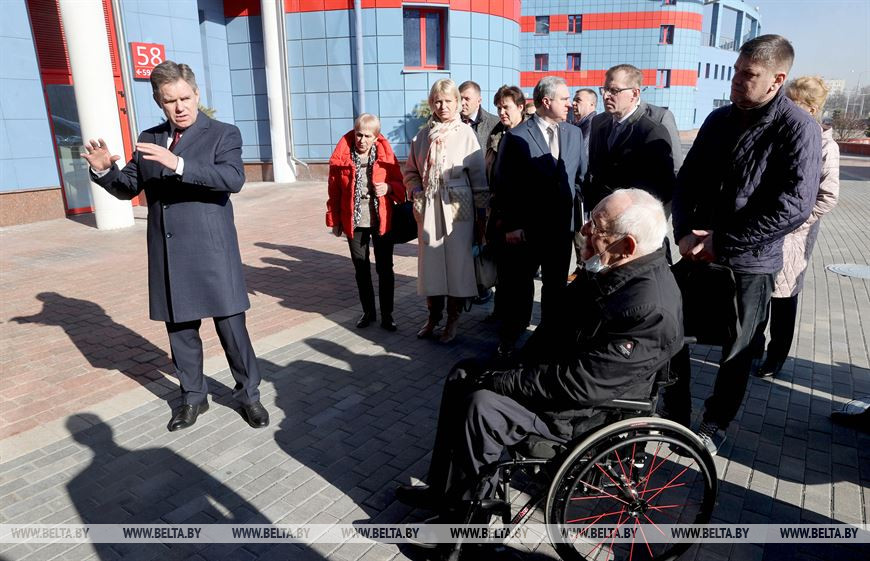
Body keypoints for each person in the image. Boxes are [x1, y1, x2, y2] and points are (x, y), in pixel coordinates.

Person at [395, 189, 683, 517]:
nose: (585, 231)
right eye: (589, 220)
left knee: (482, 406)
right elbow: (556, 326)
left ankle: (465, 522)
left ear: (628, 245)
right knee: (463, 373)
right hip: (555, 375)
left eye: (597, 228)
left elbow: (582, 383)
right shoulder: (613, 269)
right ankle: (443, 489)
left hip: (581, 413)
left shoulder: (649, 309)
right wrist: (510, 367)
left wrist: (505, 381)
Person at [82, 61, 269, 431]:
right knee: (180, 332)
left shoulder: (223, 134)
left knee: (232, 330)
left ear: (196, 94)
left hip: (213, 251)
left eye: (185, 98)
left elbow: (232, 179)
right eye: (170, 100)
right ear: (159, 101)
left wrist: (179, 163)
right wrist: (105, 171)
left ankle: (249, 396)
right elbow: (128, 188)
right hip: (169, 253)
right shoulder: (149, 138)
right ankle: (193, 397)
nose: (180, 107)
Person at [662, 35, 822, 455]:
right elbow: (687, 179)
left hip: (751, 263)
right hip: (697, 251)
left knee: (738, 351)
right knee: (667, 325)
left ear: (777, 80)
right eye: (736, 71)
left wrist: (724, 240)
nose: (736, 81)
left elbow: (794, 205)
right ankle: (675, 413)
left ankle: (714, 424)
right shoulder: (718, 119)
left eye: (748, 74)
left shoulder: (798, 127)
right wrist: (684, 231)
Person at [491, 76, 585, 357]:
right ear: (546, 101)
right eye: (564, 99)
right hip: (526, 230)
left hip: (561, 229)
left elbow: (580, 178)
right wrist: (511, 225)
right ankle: (510, 340)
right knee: (519, 288)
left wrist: (581, 221)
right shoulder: (516, 136)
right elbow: (504, 184)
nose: (569, 104)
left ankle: (549, 341)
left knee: (556, 288)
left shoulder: (574, 133)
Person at [753, 77, 839, 378]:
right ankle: (753, 348)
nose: (785, 106)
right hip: (766, 228)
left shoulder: (826, 145)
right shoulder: (782, 133)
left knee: (783, 297)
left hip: (794, 235)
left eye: (793, 102)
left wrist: (794, 221)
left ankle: (776, 356)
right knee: (759, 292)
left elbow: (828, 196)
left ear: (811, 109)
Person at [404, 79, 489, 343]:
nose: (443, 106)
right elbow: (410, 172)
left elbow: (478, 178)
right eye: (438, 101)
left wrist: (481, 217)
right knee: (430, 265)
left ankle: (453, 319)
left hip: (458, 205)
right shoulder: (422, 136)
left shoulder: (465, 134)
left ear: (458, 103)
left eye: (448, 101)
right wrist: (416, 191)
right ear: (432, 103)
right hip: (429, 205)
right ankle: (433, 316)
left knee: (457, 265)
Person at [326, 114, 406, 331]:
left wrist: (389, 188)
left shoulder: (386, 157)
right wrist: (335, 221)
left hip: (382, 220)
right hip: (354, 221)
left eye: (367, 136)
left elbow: (401, 186)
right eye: (359, 134)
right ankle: (368, 312)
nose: (362, 140)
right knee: (361, 269)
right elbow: (334, 192)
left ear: (376, 137)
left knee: (385, 269)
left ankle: (387, 315)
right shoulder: (342, 157)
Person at [585, 64, 676, 212]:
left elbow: (663, 187)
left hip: (633, 216)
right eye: (604, 89)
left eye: (614, 91)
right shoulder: (598, 122)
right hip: (601, 214)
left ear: (634, 94)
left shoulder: (651, 130)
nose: (605, 96)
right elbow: (595, 171)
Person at [459, 80, 501, 158]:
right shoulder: (451, 123)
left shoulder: (495, 124)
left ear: (479, 101)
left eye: (467, 99)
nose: (462, 103)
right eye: (460, 99)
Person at [571, 88, 597, 158]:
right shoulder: (580, 124)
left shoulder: (593, 125)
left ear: (591, 104)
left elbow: (583, 156)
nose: (573, 103)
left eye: (578, 100)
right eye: (573, 100)